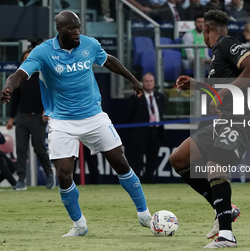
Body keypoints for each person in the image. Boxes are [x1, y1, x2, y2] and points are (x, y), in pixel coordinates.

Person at [0, 10, 152, 237]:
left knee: (120, 161)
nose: (77, 33)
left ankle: (144, 214)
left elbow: (108, 60)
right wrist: (8, 86)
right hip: (62, 121)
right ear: (59, 29)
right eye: (72, 28)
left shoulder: (89, 44)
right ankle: (79, 224)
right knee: (63, 174)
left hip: (93, 116)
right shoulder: (43, 52)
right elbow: (19, 74)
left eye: (79, 27)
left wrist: (133, 79)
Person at [169, 10, 250, 248]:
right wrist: (197, 85)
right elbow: (224, 88)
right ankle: (224, 210)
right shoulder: (218, 55)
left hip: (242, 120)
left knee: (215, 167)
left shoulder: (226, 43)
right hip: (223, 121)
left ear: (207, 29)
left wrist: (220, 93)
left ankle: (227, 236)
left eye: (203, 31)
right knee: (179, 159)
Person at [6, 48, 55, 191]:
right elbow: (15, 99)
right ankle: (21, 180)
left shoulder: (43, 76)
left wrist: (47, 110)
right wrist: (11, 118)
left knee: (39, 148)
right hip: (21, 116)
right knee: (21, 149)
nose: (28, 61)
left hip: (38, 116)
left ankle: (49, 175)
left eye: (30, 58)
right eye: (25, 58)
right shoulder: (19, 78)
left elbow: (51, 95)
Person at [125, 73, 166, 184]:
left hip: (155, 132)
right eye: (146, 81)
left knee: (152, 159)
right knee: (137, 160)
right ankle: (137, 183)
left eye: (151, 81)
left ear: (154, 83)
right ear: (142, 83)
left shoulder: (160, 96)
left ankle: (150, 181)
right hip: (140, 133)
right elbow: (128, 115)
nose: (148, 83)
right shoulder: (136, 97)